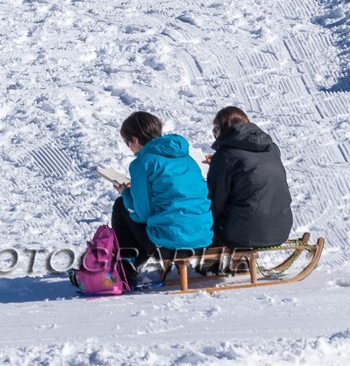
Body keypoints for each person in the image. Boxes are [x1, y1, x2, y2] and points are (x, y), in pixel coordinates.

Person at [109, 111, 213, 284]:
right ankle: (129, 265)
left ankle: (125, 268)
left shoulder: (142, 163)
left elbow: (141, 214)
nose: (129, 147)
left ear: (134, 139)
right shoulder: (185, 157)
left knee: (122, 206)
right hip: (203, 236)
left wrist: (126, 193)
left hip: (171, 242)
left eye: (127, 142)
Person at [206, 106, 293, 249]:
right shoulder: (271, 148)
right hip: (281, 228)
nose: (214, 134)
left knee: (211, 222)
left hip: (245, 233)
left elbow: (214, 200)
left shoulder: (225, 156)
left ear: (225, 128)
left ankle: (215, 263)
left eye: (216, 129)